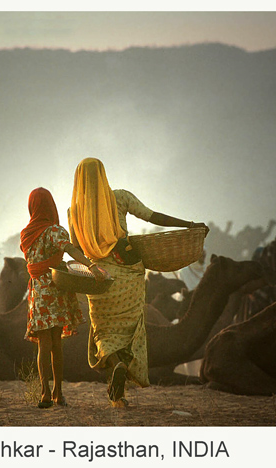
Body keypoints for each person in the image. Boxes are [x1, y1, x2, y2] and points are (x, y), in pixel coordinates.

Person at [68, 157, 207, 406]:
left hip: (101, 279)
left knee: (103, 332)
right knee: (129, 330)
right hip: (130, 274)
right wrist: (188, 225)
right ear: (103, 174)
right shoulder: (121, 197)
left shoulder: (74, 211)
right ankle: (118, 392)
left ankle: (116, 368)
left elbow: (76, 248)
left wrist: (82, 270)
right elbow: (153, 217)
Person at [20, 187, 106, 408]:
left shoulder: (26, 234)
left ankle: (44, 393)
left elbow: (33, 263)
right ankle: (59, 393)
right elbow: (70, 250)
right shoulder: (54, 231)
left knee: (43, 344)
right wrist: (91, 266)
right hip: (56, 289)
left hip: (38, 291)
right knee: (56, 343)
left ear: (32, 207)